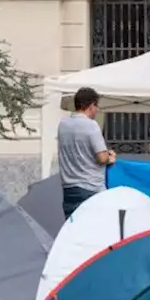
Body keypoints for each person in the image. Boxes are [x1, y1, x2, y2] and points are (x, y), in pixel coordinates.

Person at [57, 87, 115, 217]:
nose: (97, 110)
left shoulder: (63, 124)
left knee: (74, 231)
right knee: (96, 230)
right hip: (91, 188)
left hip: (69, 189)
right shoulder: (91, 125)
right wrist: (110, 157)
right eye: (96, 106)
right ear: (91, 105)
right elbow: (101, 157)